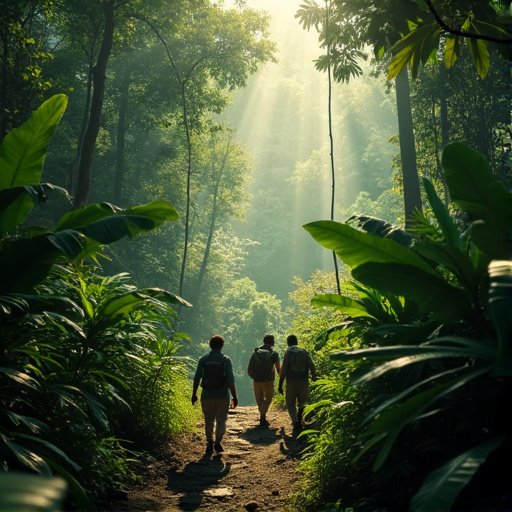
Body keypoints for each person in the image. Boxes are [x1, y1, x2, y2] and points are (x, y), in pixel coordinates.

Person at [192, 335, 238, 453]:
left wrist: (194, 394)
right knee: (221, 420)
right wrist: (234, 396)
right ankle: (218, 442)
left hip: (207, 395)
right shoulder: (226, 360)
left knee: (208, 420)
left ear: (210, 345)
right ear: (222, 346)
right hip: (222, 395)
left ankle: (209, 443)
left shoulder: (203, 359)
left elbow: (197, 378)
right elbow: (230, 380)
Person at [278, 334, 316, 432]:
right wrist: (314, 378)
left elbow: (283, 370)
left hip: (291, 381)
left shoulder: (288, 353)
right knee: (302, 401)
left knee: (290, 402)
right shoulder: (303, 352)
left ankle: (295, 422)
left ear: (288, 343)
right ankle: (300, 419)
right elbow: (311, 365)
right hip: (303, 380)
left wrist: (280, 385)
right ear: (296, 342)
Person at [247, 334, 281, 426]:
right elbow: (278, 367)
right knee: (268, 398)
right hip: (268, 380)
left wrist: (252, 376)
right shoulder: (273, 353)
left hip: (257, 380)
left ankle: (262, 414)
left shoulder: (256, 351)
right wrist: (281, 378)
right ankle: (263, 415)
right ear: (272, 342)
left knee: (259, 398)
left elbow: (250, 366)